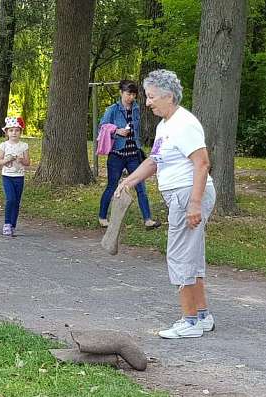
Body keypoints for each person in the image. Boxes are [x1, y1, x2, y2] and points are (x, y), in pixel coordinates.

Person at [116, 69, 216, 339]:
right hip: (182, 195)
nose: (147, 102)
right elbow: (154, 161)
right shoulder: (165, 126)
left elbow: (202, 163)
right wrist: (130, 181)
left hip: (188, 194)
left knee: (179, 254)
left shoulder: (185, 123)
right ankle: (203, 316)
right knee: (191, 254)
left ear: (168, 96)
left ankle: (190, 321)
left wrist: (194, 204)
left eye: (151, 97)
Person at [97, 79, 160, 230]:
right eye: (128, 93)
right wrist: (117, 131)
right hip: (117, 155)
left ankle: (148, 220)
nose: (131, 97)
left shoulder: (137, 109)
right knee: (112, 186)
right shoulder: (112, 109)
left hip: (133, 154)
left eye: (133, 94)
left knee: (140, 187)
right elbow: (102, 126)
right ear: (121, 92)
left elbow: (137, 130)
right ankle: (102, 216)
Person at [0, 116, 30, 237]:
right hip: (7, 176)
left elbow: (28, 163)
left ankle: (13, 225)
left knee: (17, 202)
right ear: (7, 132)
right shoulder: (4, 145)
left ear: (20, 132)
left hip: (19, 177)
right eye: (11, 130)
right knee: (10, 199)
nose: (14, 133)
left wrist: (21, 160)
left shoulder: (24, 146)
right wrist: (6, 160)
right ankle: (7, 224)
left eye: (17, 130)